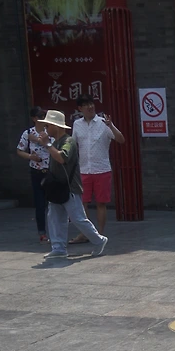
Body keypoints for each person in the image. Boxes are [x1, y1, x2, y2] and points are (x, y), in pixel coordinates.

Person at [33, 110, 108, 260]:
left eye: (48, 126)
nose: (46, 129)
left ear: (56, 126)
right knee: (55, 218)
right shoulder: (55, 142)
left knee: (78, 218)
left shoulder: (68, 141)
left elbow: (62, 158)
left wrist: (47, 144)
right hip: (56, 187)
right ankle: (58, 248)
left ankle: (99, 240)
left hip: (69, 187)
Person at [70, 94, 124, 242]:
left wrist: (111, 126)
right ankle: (86, 233)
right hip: (83, 170)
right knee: (82, 204)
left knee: (101, 203)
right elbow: (73, 145)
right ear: (80, 108)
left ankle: (99, 234)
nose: (90, 107)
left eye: (91, 103)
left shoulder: (103, 123)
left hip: (102, 169)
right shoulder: (77, 124)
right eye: (86, 105)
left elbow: (121, 139)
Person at [15, 106, 49, 242]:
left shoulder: (49, 131)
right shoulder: (28, 133)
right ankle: (42, 232)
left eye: (44, 116)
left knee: (54, 202)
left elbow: (54, 146)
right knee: (40, 203)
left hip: (50, 170)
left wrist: (38, 141)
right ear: (34, 118)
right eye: (40, 117)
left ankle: (57, 229)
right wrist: (30, 157)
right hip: (36, 170)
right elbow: (19, 150)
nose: (43, 119)